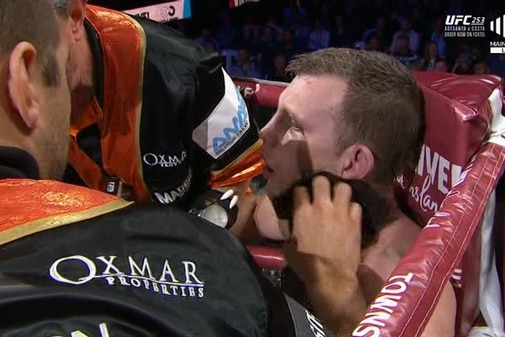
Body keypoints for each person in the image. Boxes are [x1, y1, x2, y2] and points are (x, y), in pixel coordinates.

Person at [0, 1, 333, 336]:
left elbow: (240, 194)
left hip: (178, 270)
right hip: (65, 266)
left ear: (74, 19)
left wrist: (186, 254)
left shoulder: (189, 75)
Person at [259, 48, 457, 336]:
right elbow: (256, 215)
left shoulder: (416, 285)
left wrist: (339, 300)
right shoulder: (308, 203)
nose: (264, 133)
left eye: (293, 125)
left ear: (353, 162)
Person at [52, 0, 263, 208]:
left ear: (75, 15)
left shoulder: (184, 71)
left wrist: (199, 232)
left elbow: (238, 179)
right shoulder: (27, 100)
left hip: (188, 225)